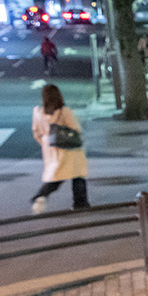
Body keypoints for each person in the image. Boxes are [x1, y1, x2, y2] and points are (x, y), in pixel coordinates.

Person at [29, 84, 89, 213]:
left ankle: (41, 195)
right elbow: (76, 129)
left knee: (56, 175)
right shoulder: (64, 111)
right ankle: (80, 203)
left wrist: (46, 143)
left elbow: (36, 133)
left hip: (50, 149)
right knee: (78, 174)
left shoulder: (38, 113)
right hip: (69, 148)